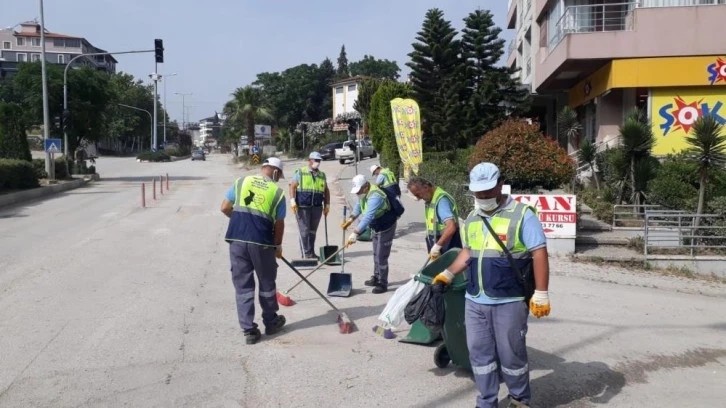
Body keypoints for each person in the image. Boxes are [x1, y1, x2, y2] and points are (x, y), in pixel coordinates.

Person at [431, 162, 551, 408]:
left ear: (499, 184)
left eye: (487, 190)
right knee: (479, 354)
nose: (483, 196)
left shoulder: (522, 214)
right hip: (474, 300)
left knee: (511, 355)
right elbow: (468, 252)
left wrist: (541, 293)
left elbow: (539, 253)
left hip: (509, 300)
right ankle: (486, 400)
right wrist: (448, 273)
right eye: (478, 192)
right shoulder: (473, 218)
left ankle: (519, 398)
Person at [220, 157, 288, 345]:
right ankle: (271, 321)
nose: (279, 179)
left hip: (237, 241)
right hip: (262, 243)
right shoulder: (277, 193)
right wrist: (277, 246)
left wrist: (240, 221)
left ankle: (249, 330)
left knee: (243, 286)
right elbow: (279, 224)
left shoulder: (242, 182)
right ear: (276, 172)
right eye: (279, 175)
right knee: (266, 282)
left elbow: (225, 207)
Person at [341, 174, 398, 294]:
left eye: (359, 191)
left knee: (381, 256)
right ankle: (377, 277)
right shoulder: (364, 193)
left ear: (365, 186)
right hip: (376, 225)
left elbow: (368, 217)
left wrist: (355, 233)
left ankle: (383, 283)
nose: (358, 194)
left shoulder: (375, 196)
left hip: (386, 226)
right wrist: (350, 219)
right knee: (375, 253)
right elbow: (358, 206)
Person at [406, 177, 462, 261]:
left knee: (448, 273)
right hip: (439, 245)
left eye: (418, 194)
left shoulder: (441, 200)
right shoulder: (431, 199)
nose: (418, 198)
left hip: (447, 247)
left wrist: (437, 246)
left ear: (426, 187)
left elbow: (451, 227)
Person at [289, 152, 330, 259]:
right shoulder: (300, 172)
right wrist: (292, 201)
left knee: (312, 231)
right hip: (302, 207)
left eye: (319, 161)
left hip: (316, 207)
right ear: (309, 160)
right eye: (316, 160)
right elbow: (292, 187)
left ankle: (311, 252)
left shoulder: (322, 175)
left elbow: (326, 191)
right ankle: (306, 253)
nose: (318, 163)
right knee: (304, 230)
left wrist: (327, 205)